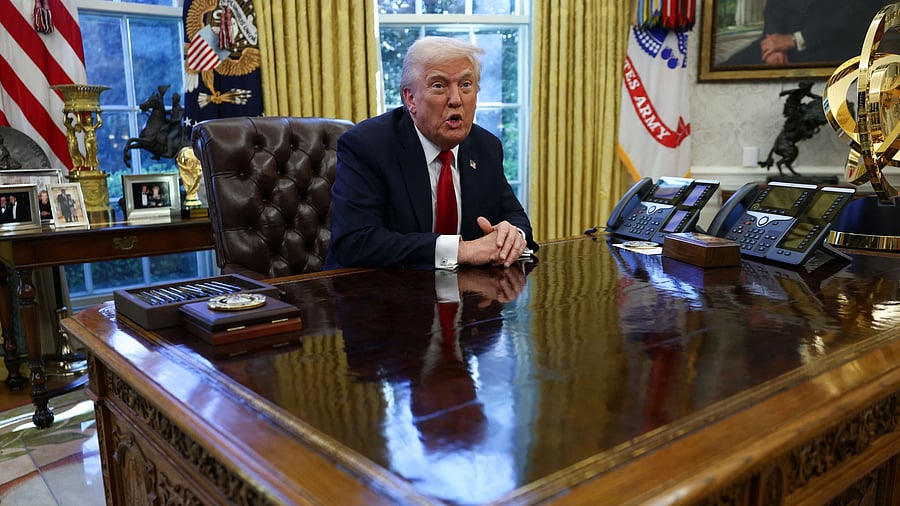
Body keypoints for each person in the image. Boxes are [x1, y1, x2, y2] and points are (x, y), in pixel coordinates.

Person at [325, 36, 538, 271]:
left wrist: (511, 236)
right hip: (375, 288)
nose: (456, 100)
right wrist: (461, 250)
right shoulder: (367, 145)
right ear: (410, 99)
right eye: (439, 86)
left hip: (463, 288)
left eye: (466, 85)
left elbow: (514, 215)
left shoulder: (486, 147)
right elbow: (355, 242)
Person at [722, 0, 884, 66]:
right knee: (728, 68)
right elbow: (773, 7)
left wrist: (796, 39)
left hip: (830, 49)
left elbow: (855, 18)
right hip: (778, 44)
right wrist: (774, 45)